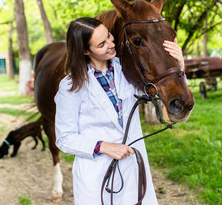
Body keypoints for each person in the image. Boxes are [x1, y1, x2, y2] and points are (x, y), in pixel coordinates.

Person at [54, 17, 185, 204]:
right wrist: (104, 147)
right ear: (85, 51)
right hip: (96, 175)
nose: (110, 44)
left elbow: (163, 90)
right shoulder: (69, 86)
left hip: (133, 169)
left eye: (109, 36)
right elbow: (64, 138)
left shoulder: (127, 69)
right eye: (101, 44)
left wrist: (178, 65)